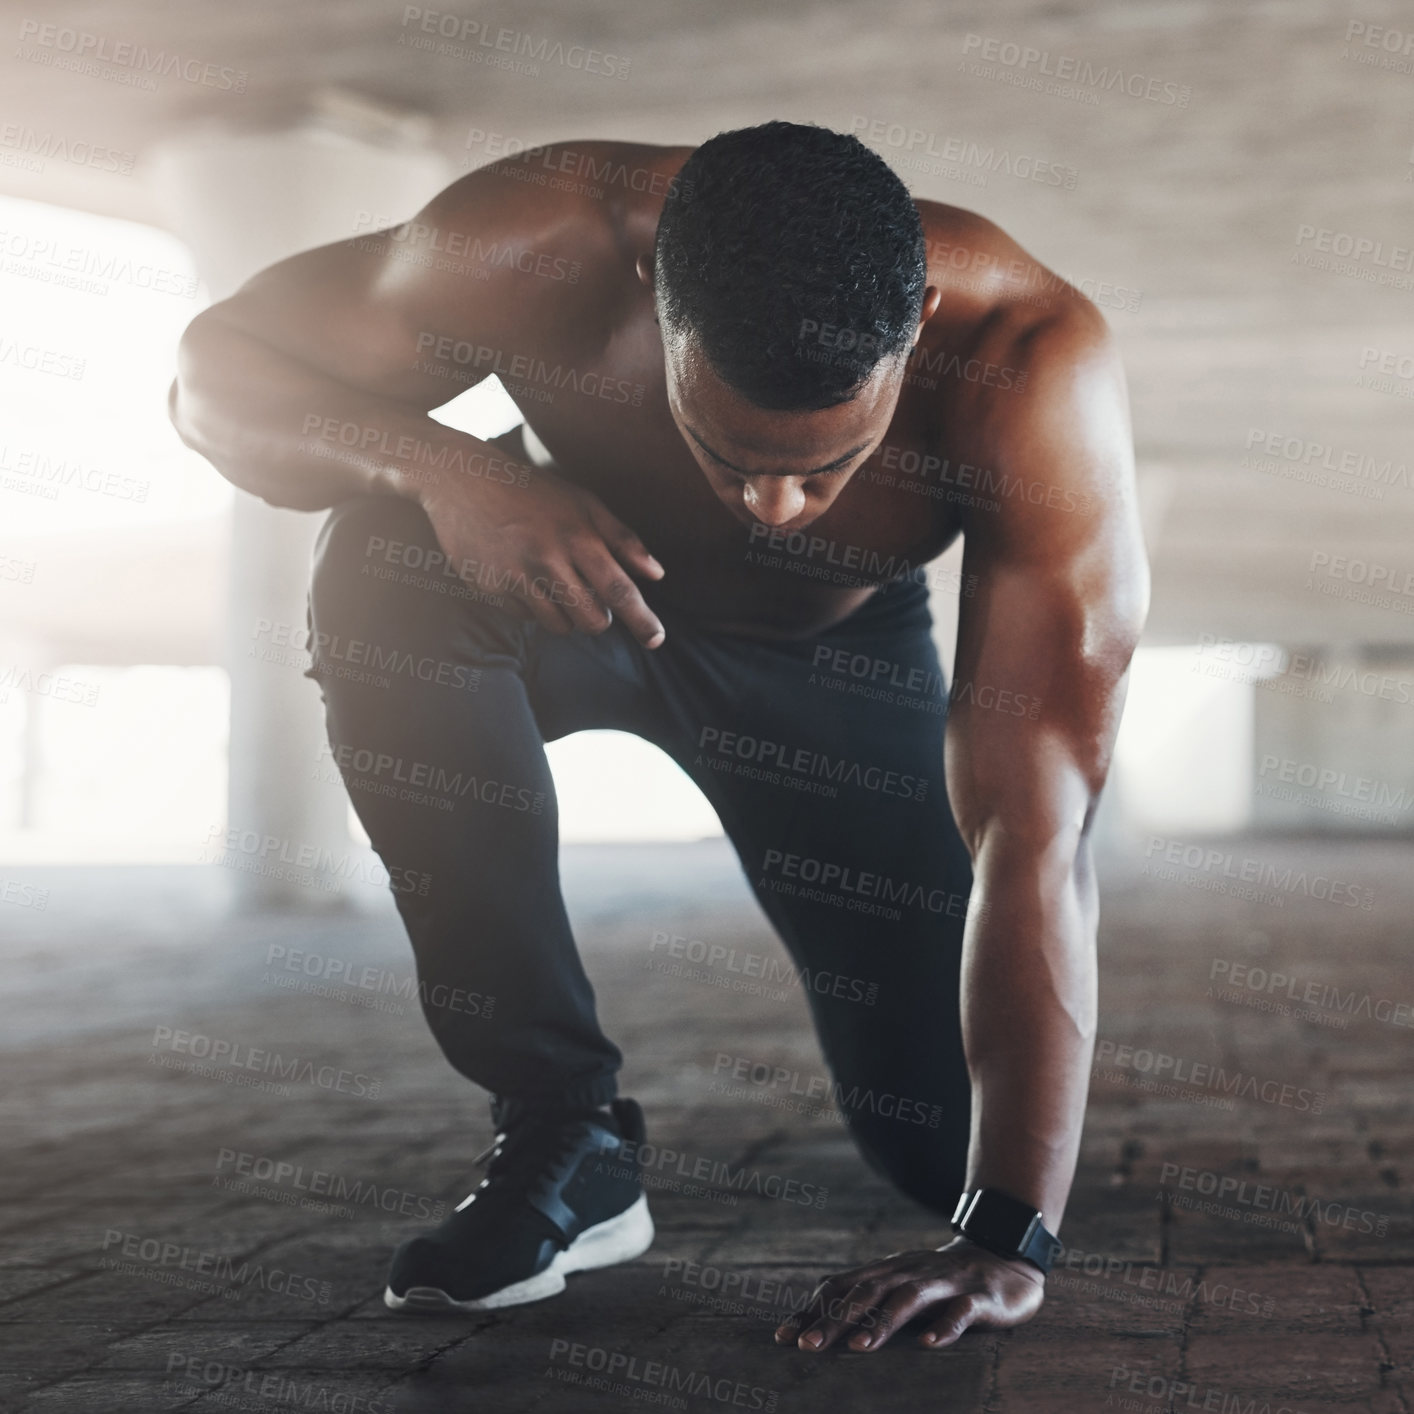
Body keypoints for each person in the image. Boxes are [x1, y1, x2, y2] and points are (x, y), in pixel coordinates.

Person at [170, 120, 1149, 1353]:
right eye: (729, 453)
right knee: (381, 568)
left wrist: (1007, 1240)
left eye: (828, 464)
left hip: (833, 666)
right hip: (565, 584)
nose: (774, 507)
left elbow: (1038, 825)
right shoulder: (537, 242)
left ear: (921, 320)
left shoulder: (1028, 360)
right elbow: (214, 373)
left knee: (942, 1143)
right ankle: (565, 1127)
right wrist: (441, 467)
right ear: (653, 299)